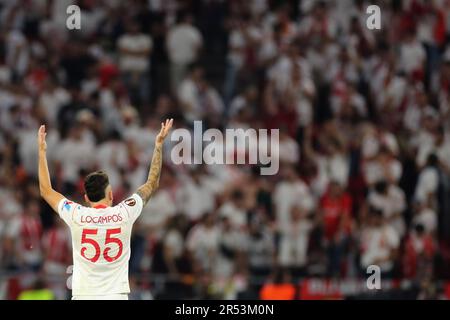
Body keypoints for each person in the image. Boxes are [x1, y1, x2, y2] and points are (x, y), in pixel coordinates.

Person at [37, 119, 173, 300]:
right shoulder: (124, 212)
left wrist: (42, 151)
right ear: (111, 195)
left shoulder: (76, 214)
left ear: (86, 198)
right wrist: (158, 145)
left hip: (84, 295)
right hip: (115, 295)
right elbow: (152, 183)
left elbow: (46, 190)